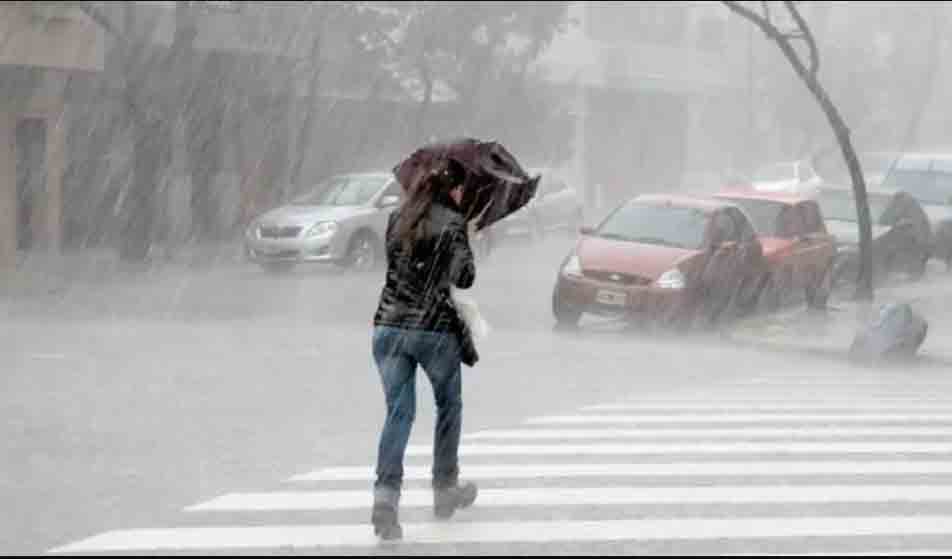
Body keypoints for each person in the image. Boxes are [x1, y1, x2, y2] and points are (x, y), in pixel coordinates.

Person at [370, 158, 479, 540]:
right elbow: (464, 276)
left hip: (388, 327)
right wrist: (466, 237)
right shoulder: (452, 223)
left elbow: (400, 269)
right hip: (433, 330)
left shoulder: (396, 219)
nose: (464, 195)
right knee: (448, 406)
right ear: (452, 189)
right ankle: (444, 488)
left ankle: (385, 498)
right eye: (462, 189)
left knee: (398, 414)